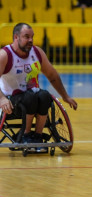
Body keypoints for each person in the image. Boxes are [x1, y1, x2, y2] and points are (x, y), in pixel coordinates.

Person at [0, 23, 78, 152]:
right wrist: (2, 99)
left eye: (32, 37)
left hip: (33, 97)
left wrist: (65, 96)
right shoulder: (4, 55)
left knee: (45, 95)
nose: (30, 40)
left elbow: (52, 75)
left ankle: (37, 136)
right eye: (26, 37)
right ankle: (26, 135)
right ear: (16, 37)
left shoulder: (36, 52)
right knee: (30, 97)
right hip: (11, 102)